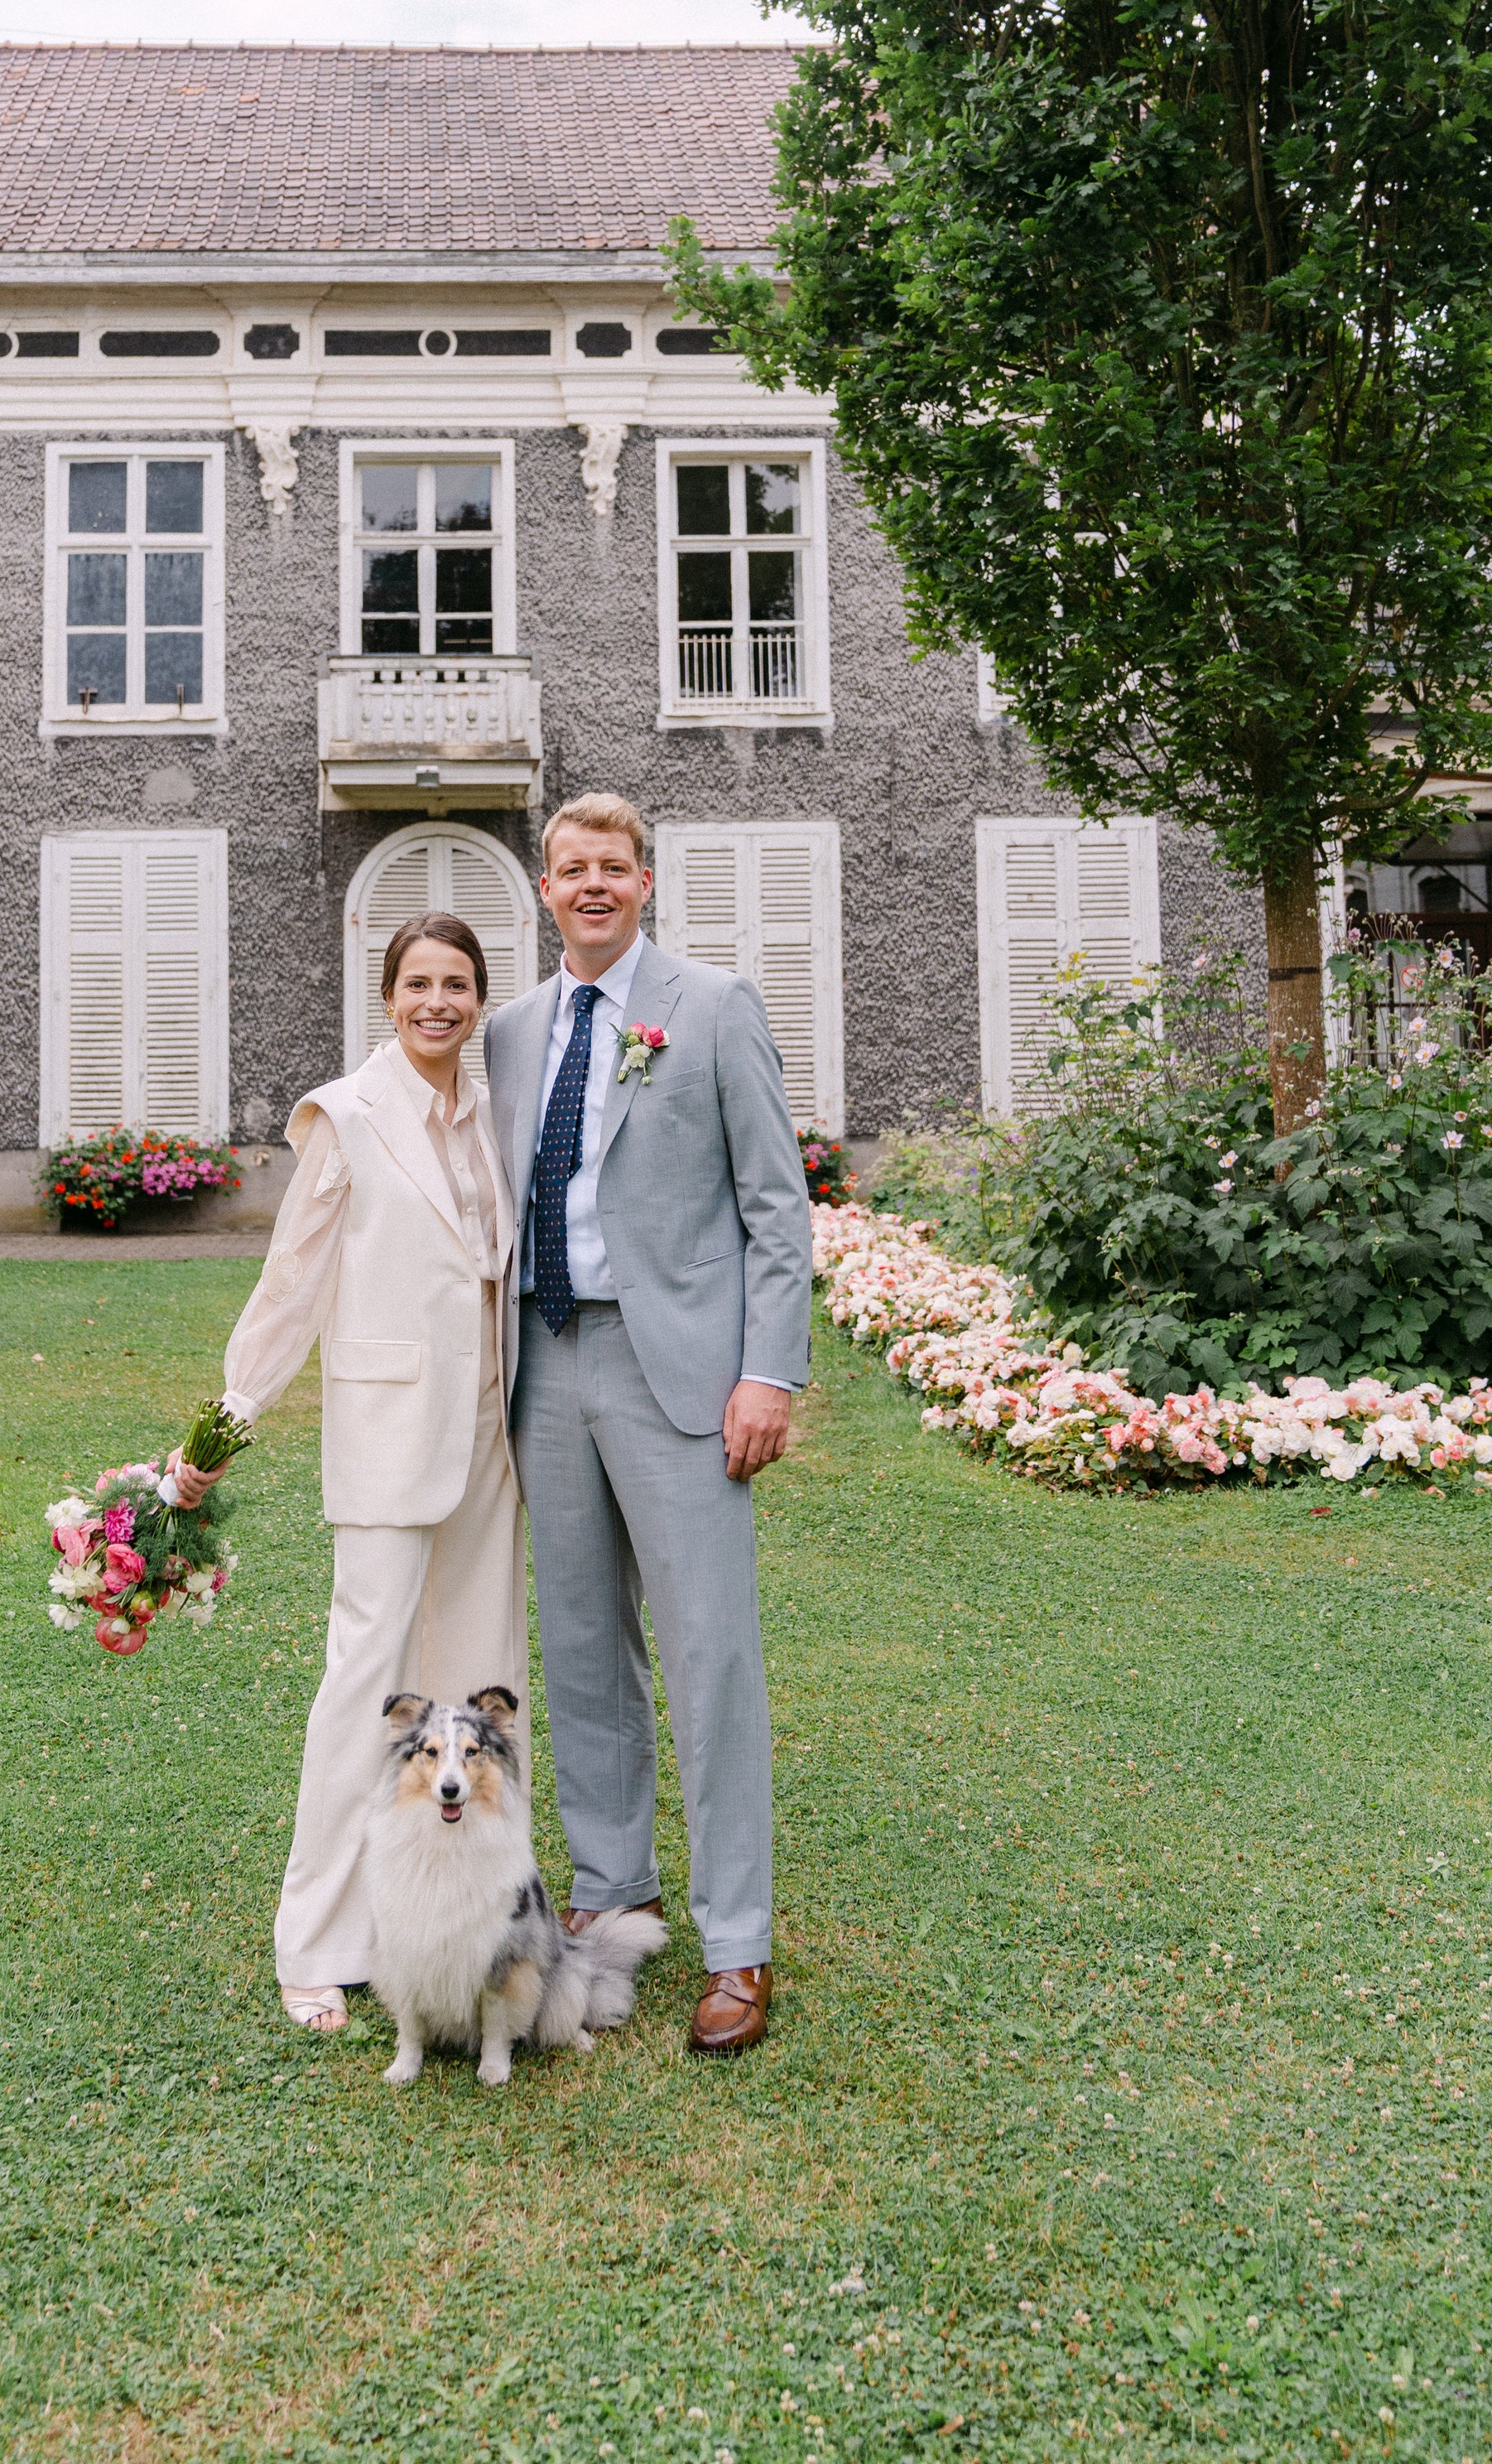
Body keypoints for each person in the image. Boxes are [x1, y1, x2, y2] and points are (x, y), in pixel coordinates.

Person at [484, 793, 812, 2055]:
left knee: (709, 1653)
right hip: (546, 1361)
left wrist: (767, 1373)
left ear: (646, 881)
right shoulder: (515, 1031)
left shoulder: (713, 1008)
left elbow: (775, 1207)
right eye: (571, 869)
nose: (592, 886)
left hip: (679, 1371)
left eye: (612, 868)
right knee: (579, 1645)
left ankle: (738, 1944)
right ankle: (612, 1893)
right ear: (546, 889)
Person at [175, 912, 522, 2035]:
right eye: (418, 983)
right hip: (387, 1430)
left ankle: (456, 1925)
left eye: (457, 985)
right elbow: (294, 1279)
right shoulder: (348, 1114)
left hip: (490, 1436)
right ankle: (317, 1943)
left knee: (475, 1684)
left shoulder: (491, 1115)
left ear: (479, 1000)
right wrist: (227, 1418)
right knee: (363, 1686)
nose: (438, 1003)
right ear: (388, 997)